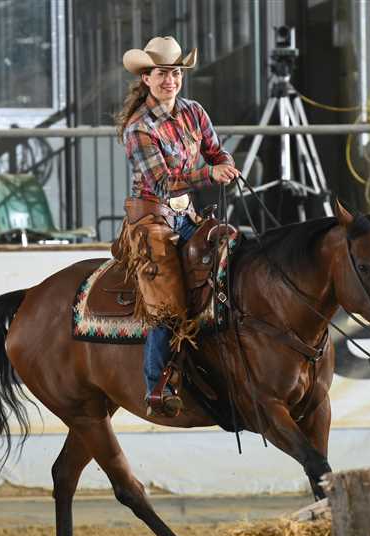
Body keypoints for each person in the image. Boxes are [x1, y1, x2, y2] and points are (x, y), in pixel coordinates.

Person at [114, 36, 240, 417]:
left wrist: (225, 162)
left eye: (176, 73)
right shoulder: (138, 128)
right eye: (162, 74)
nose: (170, 80)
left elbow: (215, 150)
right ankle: (157, 384)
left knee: (233, 257)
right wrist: (209, 174)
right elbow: (163, 184)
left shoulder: (194, 112)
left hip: (186, 216)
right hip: (150, 219)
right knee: (166, 302)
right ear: (146, 78)